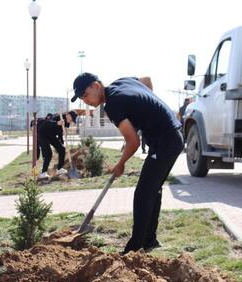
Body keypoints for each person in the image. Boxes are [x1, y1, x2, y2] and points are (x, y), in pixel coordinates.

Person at [71, 73, 183, 253]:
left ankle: (134, 248)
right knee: (152, 190)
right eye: (81, 98)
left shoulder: (112, 105)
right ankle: (149, 240)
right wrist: (145, 114)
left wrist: (121, 163)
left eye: (85, 95)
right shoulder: (122, 82)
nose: (85, 101)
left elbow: (133, 142)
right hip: (172, 136)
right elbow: (147, 80)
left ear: (96, 85)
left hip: (165, 141)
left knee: (143, 194)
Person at [36, 110, 78, 180]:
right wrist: (57, 123)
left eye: (72, 120)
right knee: (48, 153)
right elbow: (47, 122)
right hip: (43, 133)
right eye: (71, 118)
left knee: (62, 149)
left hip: (51, 135)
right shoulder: (58, 116)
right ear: (68, 115)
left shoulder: (65, 122)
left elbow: (60, 132)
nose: (71, 120)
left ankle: (59, 169)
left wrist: (61, 142)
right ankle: (43, 173)